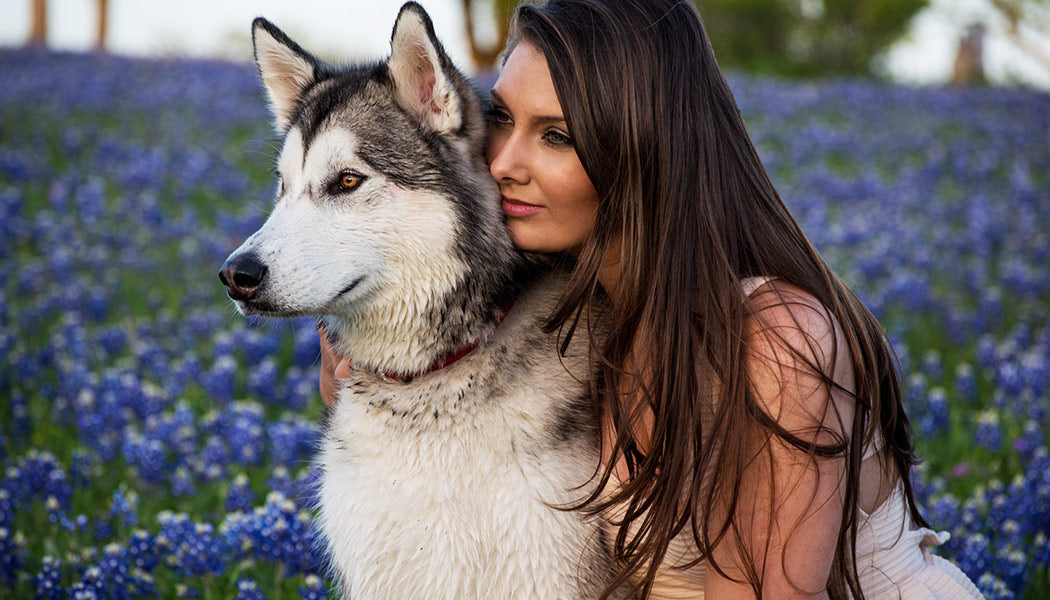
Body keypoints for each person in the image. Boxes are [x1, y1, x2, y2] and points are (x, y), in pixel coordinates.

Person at [320, 1, 984, 598]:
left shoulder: (776, 341)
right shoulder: (568, 312)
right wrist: (383, 375)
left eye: (556, 135)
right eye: (501, 117)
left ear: (639, 147)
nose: (501, 162)